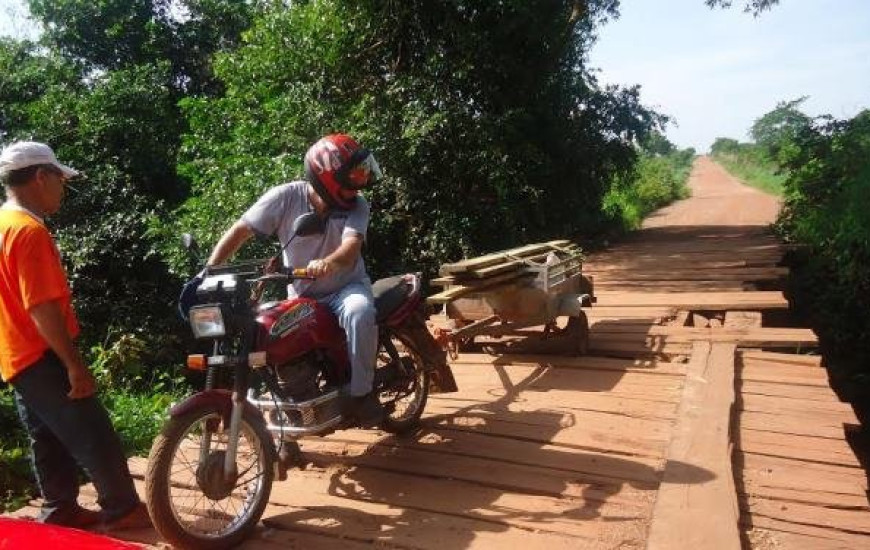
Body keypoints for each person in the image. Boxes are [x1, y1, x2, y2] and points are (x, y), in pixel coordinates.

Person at [0, 141, 151, 531]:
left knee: (46, 435)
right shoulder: (28, 231)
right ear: (40, 177)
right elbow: (41, 307)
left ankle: (60, 507)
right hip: (40, 351)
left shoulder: (3, 223)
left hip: (14, 353)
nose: (62, 189)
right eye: (59, 180)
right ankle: (123, 508)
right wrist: (73, 364)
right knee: (92, 429)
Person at [204, 133, 385, 426]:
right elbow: (241, 230)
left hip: (346, 288)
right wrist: (208, 271)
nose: (361, 182)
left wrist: (328, 263)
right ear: (328, 176)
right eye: (354, 175)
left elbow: (350, 250)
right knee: (267, 335)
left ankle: (362, 395)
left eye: (362, 173)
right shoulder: (286, 197)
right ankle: (288, 416)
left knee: (360, 312)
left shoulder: (357, 205)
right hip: (302, 294)